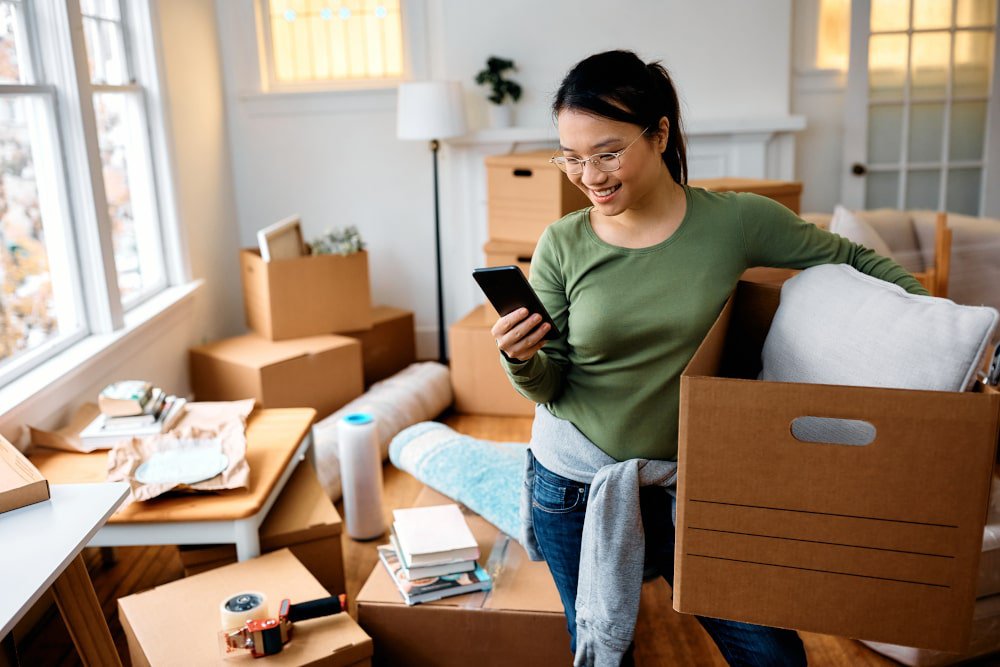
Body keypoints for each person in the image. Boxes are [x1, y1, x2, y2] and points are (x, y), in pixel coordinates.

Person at [491, 50, 928, 667]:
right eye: (572, 156)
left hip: (691, 481)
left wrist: (942, 324)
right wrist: (522, 358)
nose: (588, 175)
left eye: (608, 152)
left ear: (661, 132)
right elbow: (550, 385)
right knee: (600, 651)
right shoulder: (563, 243)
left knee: (772, 655)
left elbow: (853, 259)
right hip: (576, 482)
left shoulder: (734, 223)